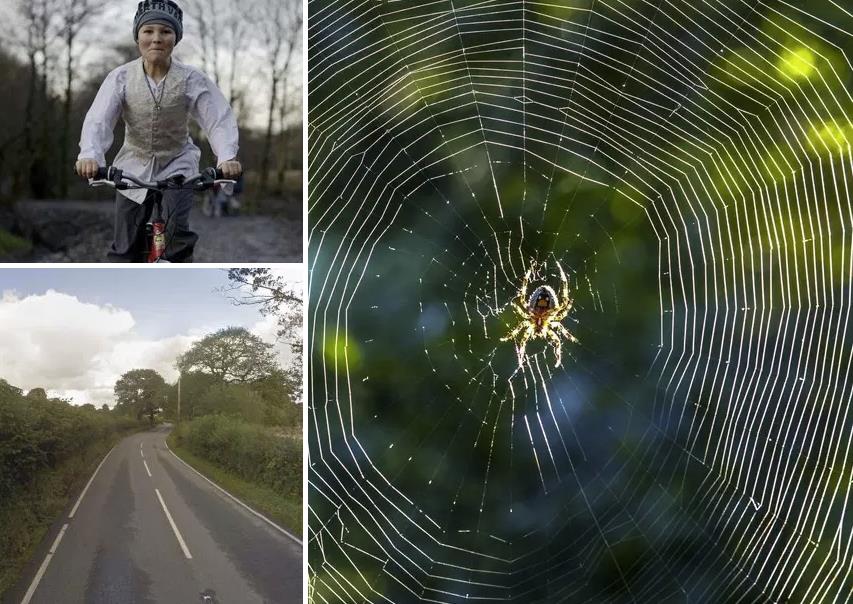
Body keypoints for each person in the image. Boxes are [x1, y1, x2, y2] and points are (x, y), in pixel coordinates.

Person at [75, 0, 241, 262]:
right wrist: (91, 157)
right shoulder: (120, 78)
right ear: (137, 36)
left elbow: (217, 118)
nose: (156, 39)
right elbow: (99, 120)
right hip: (132, 165)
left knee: (175, 236)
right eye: (148, 31)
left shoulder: (191, 78)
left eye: (165, 32)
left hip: (178, 163)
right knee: (125, 247)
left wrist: (227, 158)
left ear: (176, 38)